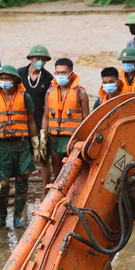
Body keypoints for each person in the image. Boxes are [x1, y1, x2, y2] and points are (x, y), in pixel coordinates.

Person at [0, 65, 39, 231]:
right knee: (2, 183)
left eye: (8, 78)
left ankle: (17, 216)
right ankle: (1, 217)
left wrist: (35, 142)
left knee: (22, 180)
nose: (5, 81)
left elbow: (31, 120)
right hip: (1, 146)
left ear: (15, 80)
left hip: (22, 144)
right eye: (2, 79)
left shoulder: (25, 97)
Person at [42, 58, 90, 191]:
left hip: (72, 140)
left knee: (73, 172)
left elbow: (87, 120)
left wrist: (84, 142)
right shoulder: (50, 91)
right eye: (57, 72)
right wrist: (42, 136)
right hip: (54, 139)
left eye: (63, 73)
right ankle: (58, 198)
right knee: (57, 171)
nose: (60, 76)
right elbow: (46, 116)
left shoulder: (81, 93)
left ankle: (73, 198)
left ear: (71, 74)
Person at [20, 45, 54, 190]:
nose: (39, 61)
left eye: (42, 59)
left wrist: (45, 129)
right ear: (30, 58)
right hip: (22, 121)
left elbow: (50, 102)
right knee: (24, 155)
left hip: (41, 121)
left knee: (44, 156)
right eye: (36, 58)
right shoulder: (19, 74)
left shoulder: (48, 78)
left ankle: (45, 190)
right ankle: (22, 186)